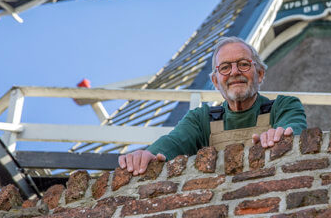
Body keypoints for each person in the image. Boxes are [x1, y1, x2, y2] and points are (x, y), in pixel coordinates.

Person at [118, 36, 307, 175]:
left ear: (260, 74)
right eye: (225, 67)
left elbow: (294, 127)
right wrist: (147, 155)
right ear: (216, 82)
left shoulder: (284, 105)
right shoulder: (201, 119)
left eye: (243, 64)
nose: (234, 72)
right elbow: (174, 142)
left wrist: (282, 133)